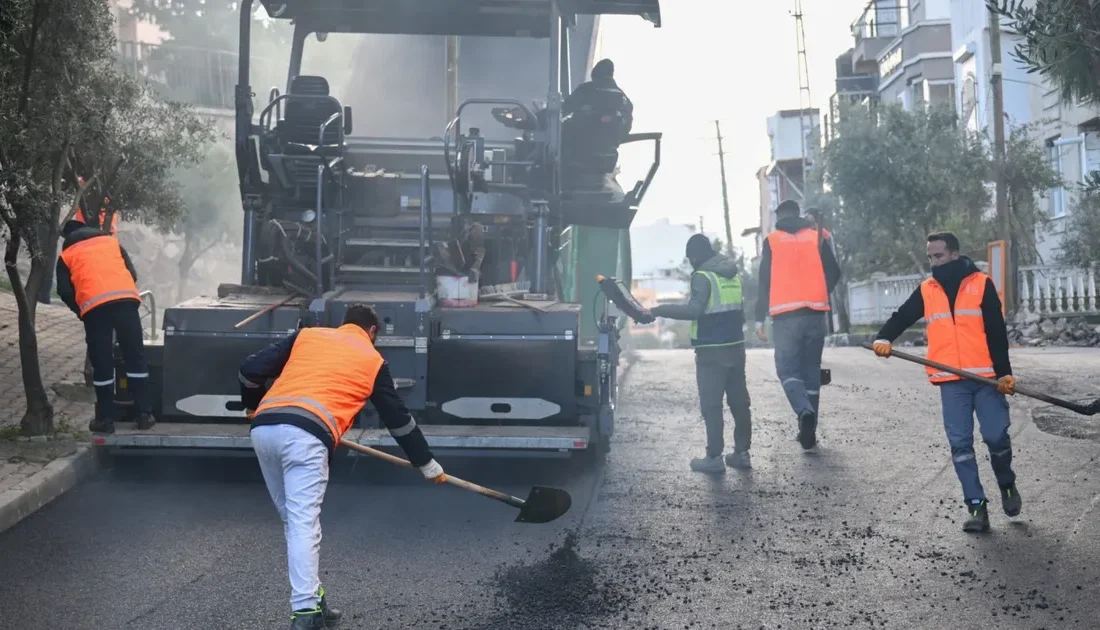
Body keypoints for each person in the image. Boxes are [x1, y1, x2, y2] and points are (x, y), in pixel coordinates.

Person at [239, 304, 448, 629]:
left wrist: (252, 407)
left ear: (343, 323)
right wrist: (426, 463)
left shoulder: (308, 336)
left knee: (293, 521)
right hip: (305, 437)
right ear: (373, 331)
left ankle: (314, 599)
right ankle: (306, 612)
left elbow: (250, 369)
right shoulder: (372, 359)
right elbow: (398, 419)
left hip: (264, 428)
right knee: (302, 523)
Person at [871, 232, 1021, 533]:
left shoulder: (981, 284)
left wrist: (1004, 373)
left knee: (995, 437)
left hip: (986, 379)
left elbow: (995, 331)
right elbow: (903, 315)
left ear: (954, 254)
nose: (933, 261)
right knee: (961, 445)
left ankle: (1006, 483)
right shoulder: (929, 289)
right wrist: (884, 337)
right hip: (951, 381)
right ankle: (976, 507)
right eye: (930, 256)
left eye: (938, 256)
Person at [642, 234, 752, 473]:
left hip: (711, 350)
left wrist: (658, 310)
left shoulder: (702, 276)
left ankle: (714, 457)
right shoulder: (732, 274)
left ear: (694, 256)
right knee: (739, 402)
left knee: (711, 404)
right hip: (736, 346)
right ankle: (742, 453)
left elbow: (694, 310)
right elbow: (739, 312)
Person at [754, 199, 841, 451]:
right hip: (816, 314)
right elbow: (834, 272)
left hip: (785, 316)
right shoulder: (815, 237)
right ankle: (809, 434)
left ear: (779, 216)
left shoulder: (772, 241)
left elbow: (763, 281)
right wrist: (821, 292)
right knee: (811, 370)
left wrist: (759, 317)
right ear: (799, 215)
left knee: (788, 371)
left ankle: (803, 411)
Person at [55, 219, 153, 434]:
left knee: (103, 363)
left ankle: (105, 419)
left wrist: (82, 310)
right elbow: (132, 274)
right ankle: (144, 414)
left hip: (95, 309)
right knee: (135, 356)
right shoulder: (111, 243)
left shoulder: (67, 256)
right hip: (126, 302)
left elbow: (64, 291)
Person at [561, 58, 634, 189]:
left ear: (594, 75)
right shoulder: (624, 100)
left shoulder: (587, 90)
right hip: (607, 161)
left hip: (575, 156)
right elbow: (625, 130)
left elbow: (562, 110)